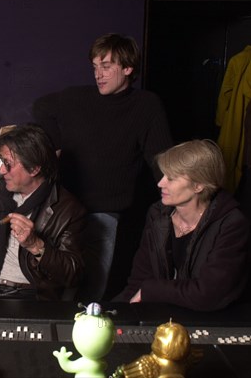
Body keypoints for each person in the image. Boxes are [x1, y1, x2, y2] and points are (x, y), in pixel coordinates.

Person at [33, 33, 174, 301]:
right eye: (95, 67)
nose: (98, 74)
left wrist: (176, 203)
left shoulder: (146, 106)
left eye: (106, 66)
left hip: (106, 213)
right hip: (63, 208)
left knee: (91, 292)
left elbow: (162, 161)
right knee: (52, 284)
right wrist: (57, 145)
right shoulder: (77, 97)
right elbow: (41, 107)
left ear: (128, 68)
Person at [0, 124, 87, 301]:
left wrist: (35, 245)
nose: (1, 170)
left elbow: (73, 274)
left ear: (34, 169)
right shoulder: (1, 188)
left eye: (8, 164)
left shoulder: (69, 209)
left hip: (24, 295)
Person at [113, 140, 250, 311]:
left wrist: (152, 290)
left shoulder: (231, 223)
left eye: (171, 178)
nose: (160, 183)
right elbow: (139, 282)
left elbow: (209, 294)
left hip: (214, 322)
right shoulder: (158, 215)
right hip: (167, 318)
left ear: (198, 185)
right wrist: (113, 314)